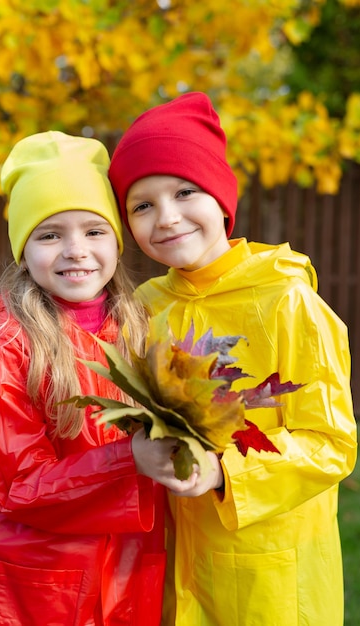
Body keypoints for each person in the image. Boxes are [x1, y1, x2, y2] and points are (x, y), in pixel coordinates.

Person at [107, 92, 358, 625]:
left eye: (184, 191)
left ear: (221, 198)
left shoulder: (287, 302)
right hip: (175, 561)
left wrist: (225, 470)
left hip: (271, 575)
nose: (167, 218)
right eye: (142, 205)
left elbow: (332, 445)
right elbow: (115, 413)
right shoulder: (143, 309)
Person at [0, 131, 178, 626]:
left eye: (94, 231)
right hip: (34, 576)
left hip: (122, 565)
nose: (76, 250)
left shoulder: (139, 325)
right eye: (50, 234)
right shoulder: (10, 343)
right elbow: (19, 483)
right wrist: (129, 459)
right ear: (22, 250)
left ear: (116, 240)